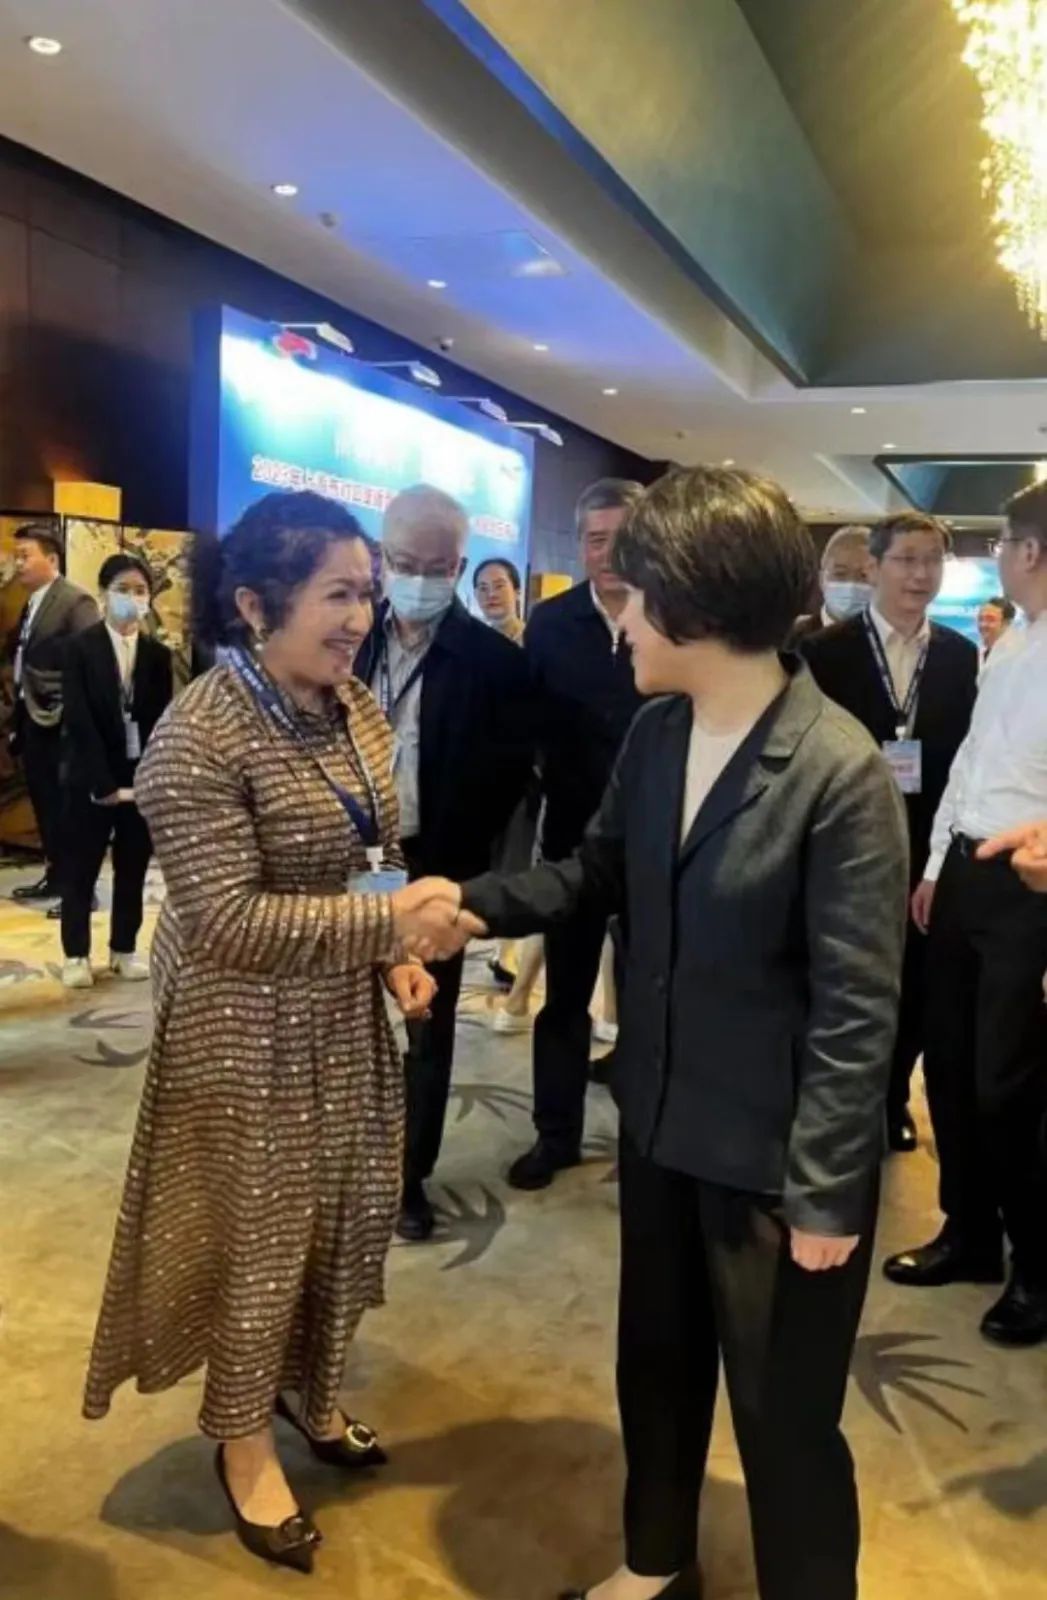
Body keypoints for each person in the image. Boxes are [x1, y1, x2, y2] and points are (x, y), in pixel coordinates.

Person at [410, 466, 909, 1600]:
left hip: (776, 1164)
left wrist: (827, 1196)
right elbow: (594, 872)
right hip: (660, 1122)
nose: (618, 613)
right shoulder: (657, 733)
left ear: (691, 600)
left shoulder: (834, 771)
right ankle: (654, 1564)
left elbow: (857, 1008)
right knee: (657, 1367)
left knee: (786, 1426)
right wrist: (472, 902)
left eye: (630, 593)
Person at [83, 491, 457, 1575]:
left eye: (366, 593)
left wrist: (390, 958)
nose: (362, 617)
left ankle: (310, 1388)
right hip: (240, 1028)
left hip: (340, 1009)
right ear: (255, 604)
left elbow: (373, 849)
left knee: (348, 1214)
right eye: (337, 595)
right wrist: (392, 924)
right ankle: (242, 1440)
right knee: (258, 1238)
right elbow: (230, 920)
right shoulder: (197, 736)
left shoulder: (357, 708)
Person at [885, 482, 1047, 1345]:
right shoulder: (1012, 639)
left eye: (1002, 545)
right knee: (945, 1061)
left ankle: (1037, 1267)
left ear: (1028, 552)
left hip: (1028, 886)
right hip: (961, 871)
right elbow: (970, 763)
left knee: (1006, 1084)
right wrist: (933, 866)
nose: (997, 559)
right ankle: (969, 1232)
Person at [355, 485, 532, 1241]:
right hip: (347, 856)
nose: (419, 579)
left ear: (459, 565)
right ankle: (344, 1164)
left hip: (434, 863)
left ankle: (408, 1178)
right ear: (381, 558)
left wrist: (464, 876)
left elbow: (507, 779)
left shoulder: (493, 663)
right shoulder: (349, 638)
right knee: (341, 1015)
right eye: (404, 562)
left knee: (423, 1023)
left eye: (437, 567)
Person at [804, 511, 978, 1152]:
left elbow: (964, 757)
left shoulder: (959, 655)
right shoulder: (825, 653)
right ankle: (835, 1102)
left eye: (932, 560)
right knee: (841, 974)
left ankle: (893, 1097)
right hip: (844, 838)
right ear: (874, 567)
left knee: (915, 980)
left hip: (926, 844)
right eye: (906, 559)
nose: (920, 574)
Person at [509, 476, 646, 1191]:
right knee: (564, 998)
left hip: (655, 848)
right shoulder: (551, 623)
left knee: (649, 1000)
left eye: (624, 539)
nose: (610, 554)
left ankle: (644, 1145)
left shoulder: (676, 618)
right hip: (573, 844)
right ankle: (554, 1135)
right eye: (596, 540)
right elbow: (527, 727)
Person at [59, 554, 174, 988]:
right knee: (81, 868)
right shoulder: (79, 648)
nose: (132, 598)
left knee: (133, 866)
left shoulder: (158, 655)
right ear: (104, 594)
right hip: (90, 777)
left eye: (140, 590)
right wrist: (102, 782)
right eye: (123, 589)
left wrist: (148, 777)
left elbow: (160, 721)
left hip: (138, 779)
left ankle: (123, 948)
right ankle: (76, 953)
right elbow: (78, 718)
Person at [6, 523, 98, 903]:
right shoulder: (32, 603)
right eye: (16, 556)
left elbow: (93, 661)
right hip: (32, 718)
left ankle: (82, 890)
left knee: (69, 808)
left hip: (62, 721)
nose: (18, 564)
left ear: (52, 559)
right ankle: (57, 877)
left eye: (25, 556)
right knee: (46, 805)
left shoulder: (75, 601)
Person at [791, 523, 873, 643]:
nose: (851, 584)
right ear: (821, 580)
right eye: (840, 574)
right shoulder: (788, 637)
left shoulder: (896, 640)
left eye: (864, 575)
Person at [474, 556, 525, 643]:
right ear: (475, 595)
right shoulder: (472, 642)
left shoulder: (536, 641)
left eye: (499, 586)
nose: (491, 594)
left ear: (517, 592)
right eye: (483, 588)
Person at [977, 594, 1015, 668]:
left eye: (990, 620)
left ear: (1007, 623)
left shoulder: (1017, 652)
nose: (983, 624)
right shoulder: (977, 650)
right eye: (980, 619)